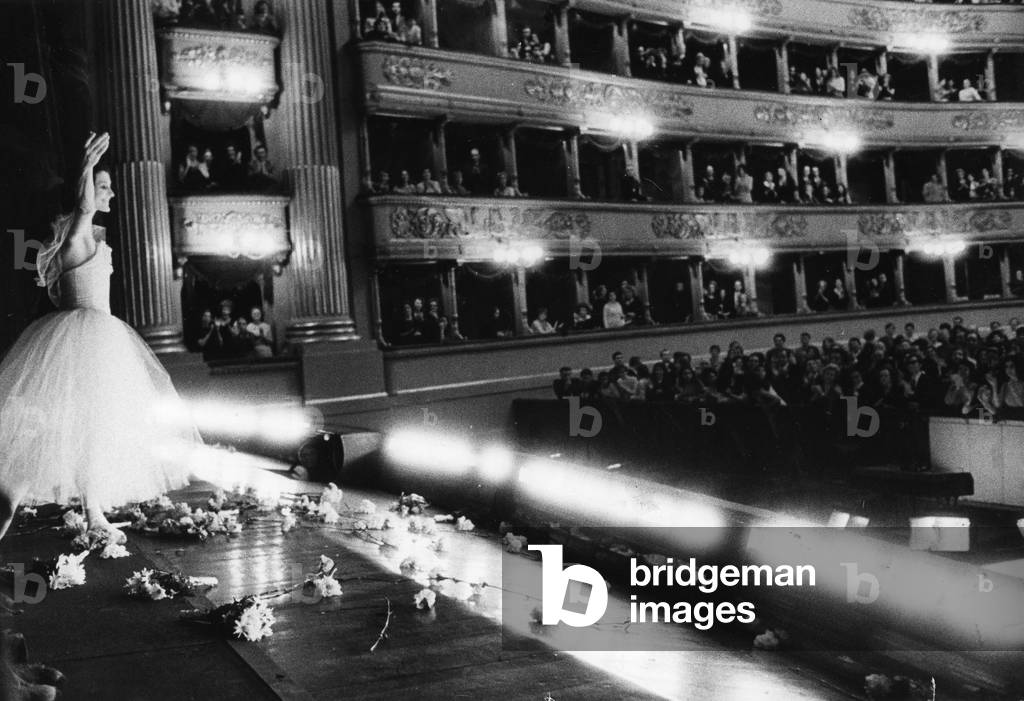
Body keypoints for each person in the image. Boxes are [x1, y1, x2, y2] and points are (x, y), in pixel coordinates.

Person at [0, 133, 201, 543]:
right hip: (78, 339)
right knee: (48, 435)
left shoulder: (93, 240)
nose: (110, 194)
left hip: (98, 338)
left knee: (92, 428)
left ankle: (94, 514)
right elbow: (86, 206)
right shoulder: (77, 237)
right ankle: (9, 503)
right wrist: (88, 166)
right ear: (83, 193)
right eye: (104, 187)